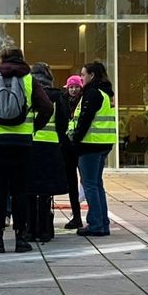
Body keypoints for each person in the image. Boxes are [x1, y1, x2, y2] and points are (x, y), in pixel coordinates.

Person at [0, 47, 53, 252]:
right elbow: (47, 107)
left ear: (2, 59)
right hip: (22, 143)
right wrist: (34, 126)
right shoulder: (29, 80)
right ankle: (21, 238)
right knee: (20, 191)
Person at [25, 63, 70, 243]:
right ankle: (44, 230)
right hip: (50, 147)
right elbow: (63, 123)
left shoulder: (27, 94)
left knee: (28, 189)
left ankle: (29, 230)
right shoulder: (58, 95)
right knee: (45, 191)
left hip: (29, 145)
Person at [70, 61, 115, 237]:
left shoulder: (92, 93)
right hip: (103, 144)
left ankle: (96, 224)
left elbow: (85, 119)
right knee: (96, 184)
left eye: (83, 75)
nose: (81, 78)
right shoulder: (105, 93)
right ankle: (102, 222)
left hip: (90, 144)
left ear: (92, 75)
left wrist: (75, 140)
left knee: (89, 184)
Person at [62, 75, 85, 230]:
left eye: (76, 86)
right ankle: (76, 216)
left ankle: (90, 215)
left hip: (81, 146)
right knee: (71, 182)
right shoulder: (63, 102)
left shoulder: (84, 101)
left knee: (88, 181)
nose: (73, 89)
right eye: (71, 87)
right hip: (68, 147)